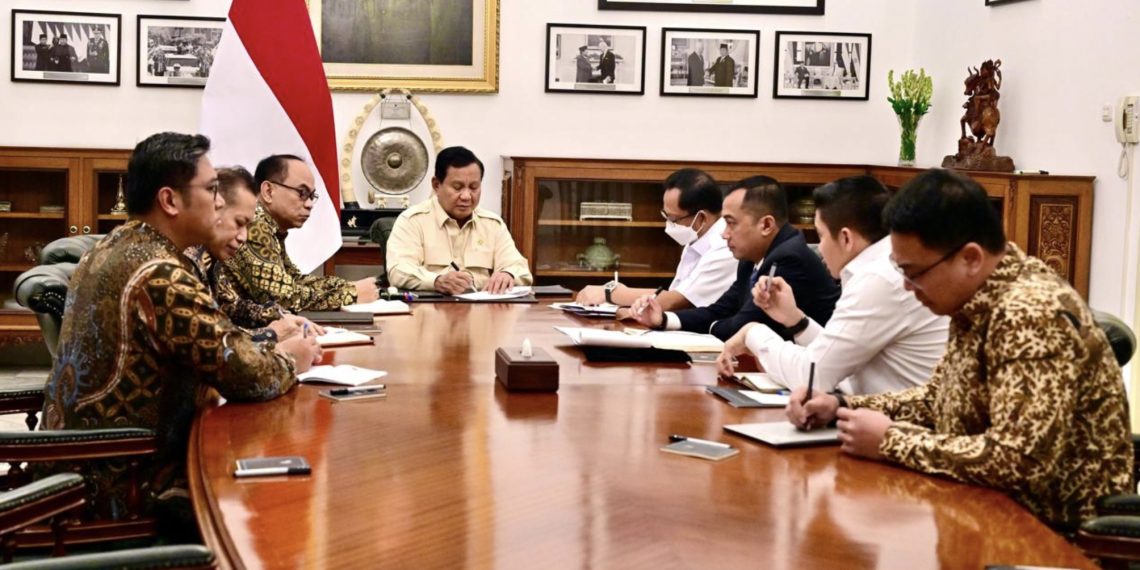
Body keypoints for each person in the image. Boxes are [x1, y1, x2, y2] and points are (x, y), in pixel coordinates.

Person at [786, 169, 1133, 531]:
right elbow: (938, 399)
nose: (907, 286)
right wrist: (841, 407)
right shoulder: (975, 299)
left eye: (914, 272)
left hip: (1052, 535)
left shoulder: (1030, 312)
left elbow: (1018, 460)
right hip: (977, 510)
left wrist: (891, 441)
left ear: (970, 258)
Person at [40, 132, 320, 538]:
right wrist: (291, 359)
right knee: (271, 512)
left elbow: (213, 342)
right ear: (170, 200)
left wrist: (268, 342)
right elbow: (245, 375)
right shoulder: (161, 273)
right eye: (210, 190)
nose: (219, 201)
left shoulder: (118, 244)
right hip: (123, 483)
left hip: (82, 467)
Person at [716, 175, 948, 394]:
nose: (819, 247)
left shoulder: (878, 279)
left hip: (904, 425)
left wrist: (753, 333)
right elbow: (835, 357)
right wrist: (796, 320)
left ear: (846, 238)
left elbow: (812, 376)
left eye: (821, 235)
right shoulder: (876, 266)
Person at [630, 176, 839, 341]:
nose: (724, 234)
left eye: (731, 223)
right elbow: (721, 309)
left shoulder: (788, 259)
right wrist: (663, 318)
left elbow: (741, 325)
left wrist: (712, 326)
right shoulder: (751, 257)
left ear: (766, 225)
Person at [223, 155, 379, 311]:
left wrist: (347, 286)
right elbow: (281, 299)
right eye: (302, 193)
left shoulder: (272, 226)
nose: (309, 204)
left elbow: (294, 280)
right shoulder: (255, 224)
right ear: (268, 191)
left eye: (311, 196)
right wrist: (351, 294)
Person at [186, 166, 320, 340]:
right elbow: (210, 340)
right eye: (239, 223)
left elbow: (233, 307)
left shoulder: (211, 256)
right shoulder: (185, 260)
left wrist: (280, 317)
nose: (244, 237)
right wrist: (270, 334)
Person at [576, 168, 735, 311]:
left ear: (701, 218)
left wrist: (611, 293)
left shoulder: (725, 247)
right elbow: (672, 294)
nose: (668, 225)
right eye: (665, 216)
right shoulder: (696, 238)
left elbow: (675, 301)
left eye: (673, 219)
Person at [387, 146, 534, 295]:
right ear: (437, 185)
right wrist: (437, 281)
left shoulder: (492, 224)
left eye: (473, 187)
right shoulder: (412, 221)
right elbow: (398, 271)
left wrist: (508, 274)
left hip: (483, 313)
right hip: (431, 312)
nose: (466, 196)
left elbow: (520, 269)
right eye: (457, 187)